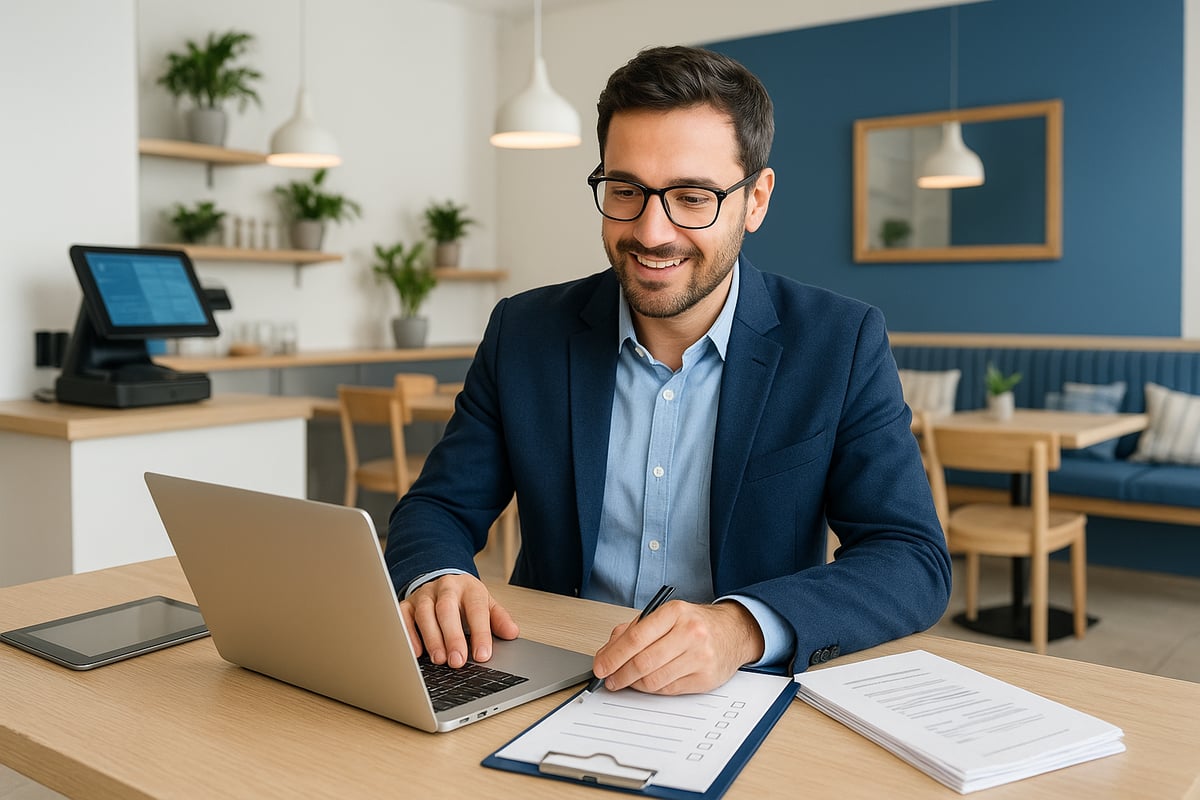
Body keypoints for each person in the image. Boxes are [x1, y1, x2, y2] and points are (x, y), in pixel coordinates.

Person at [385, 45, 951, 696]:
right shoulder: (525, 332)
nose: (652, 231)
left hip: (743, 688)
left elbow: (910, 559)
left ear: (756, 199)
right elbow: (438, 507)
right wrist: (438, 576)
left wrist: (741, 628)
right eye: (625, 191)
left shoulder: (839, 342)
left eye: (691, 197)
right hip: (554, 676)